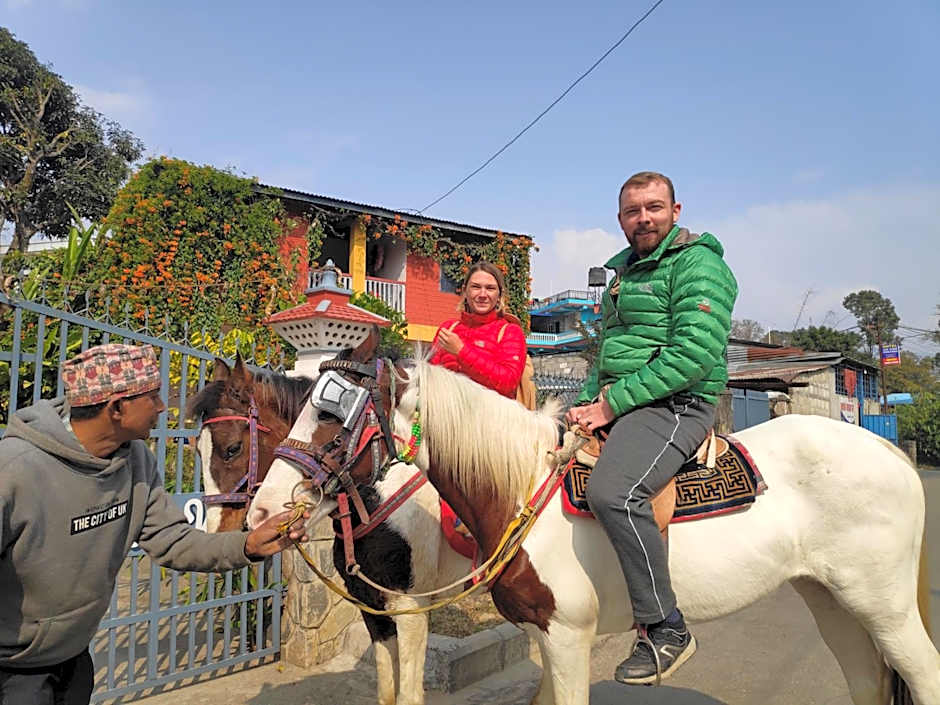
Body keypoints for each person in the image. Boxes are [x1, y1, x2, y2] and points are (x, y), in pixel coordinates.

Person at [0, 344, 307, 705]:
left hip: (74, 661)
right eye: (152, 397)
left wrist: (248, 546)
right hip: (12, 672)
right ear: (116, 408)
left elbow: (172, 540)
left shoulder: (136, 462)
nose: (163, 408)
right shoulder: (14, 470)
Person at [566, 171, 737, 685]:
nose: (644, 218)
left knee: (614, 492)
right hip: (626, 399)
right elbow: (609, 353)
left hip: (678, 401)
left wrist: (611, 404)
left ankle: (665, 626)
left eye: (654, 208)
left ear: (676, 210)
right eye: (632, 211)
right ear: (620, 220)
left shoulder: (700, 266)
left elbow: (693, 353)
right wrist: (583, 403)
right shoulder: (623, 274)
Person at [430, 261, 527, 399]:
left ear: (499, 294)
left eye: (490, 288)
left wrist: (461, 351)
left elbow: (508, 383)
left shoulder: (510, 332)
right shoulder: (448, 329)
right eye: (475, 287)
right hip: (446, 417)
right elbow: (429, 380)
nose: (482, 294)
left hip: (490, 418)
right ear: (465, 291)